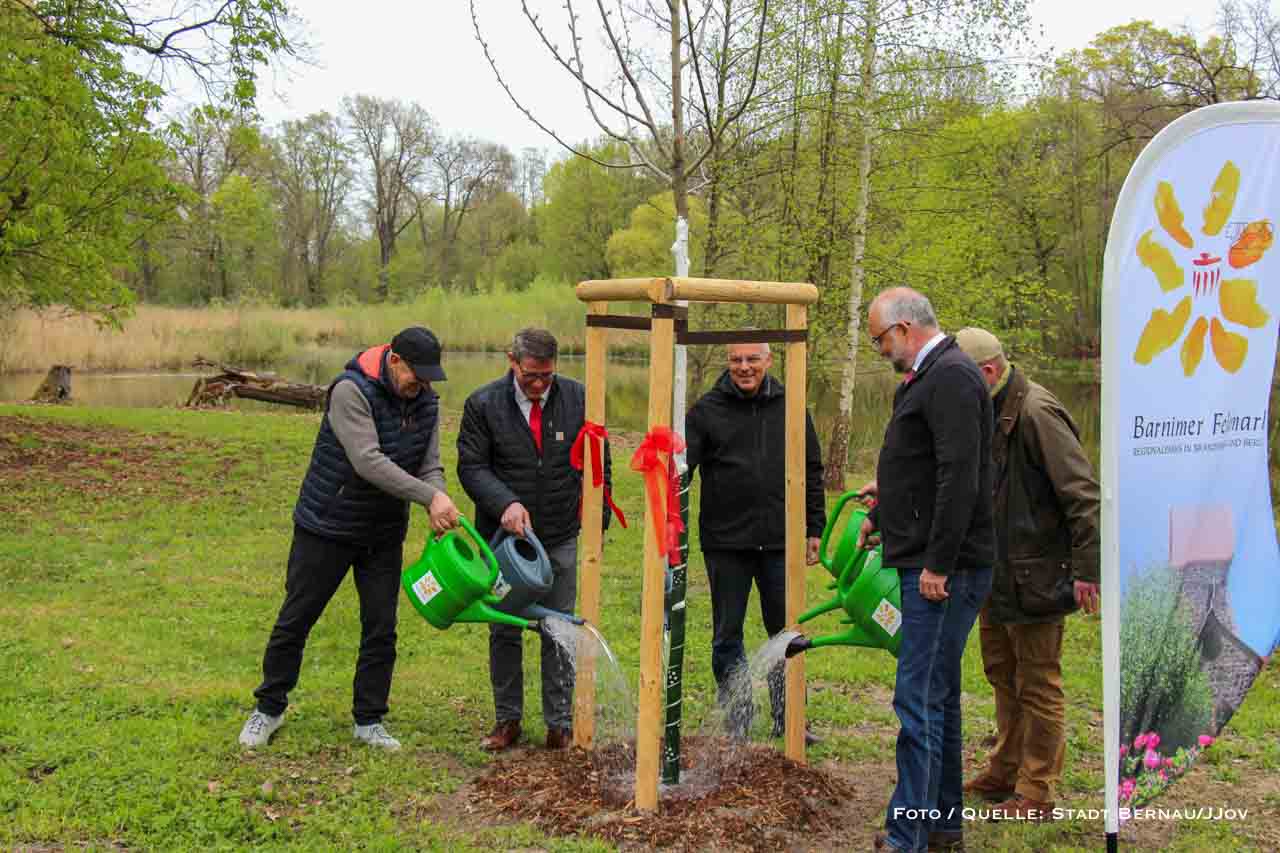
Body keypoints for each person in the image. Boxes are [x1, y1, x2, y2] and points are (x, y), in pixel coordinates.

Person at [239, 327, 461, 751]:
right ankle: (268, 709)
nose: (423, 385)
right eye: (417, 374)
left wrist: (439, 493)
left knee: (381, 627)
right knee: (296, 619)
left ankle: (369, 720)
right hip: (327, 523)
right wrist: (428, 496)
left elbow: (429, 463)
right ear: (394, 360)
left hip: (382, 532)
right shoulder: (350, 391)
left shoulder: (426, 400)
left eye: (430, 377)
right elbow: (367, 461)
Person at [857, 289, 995, 853]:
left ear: (905, 328)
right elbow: (926, 465)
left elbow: (960, 477)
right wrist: (886, 502)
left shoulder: (953, 378)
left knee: (916, 701)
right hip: (932, 560)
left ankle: (906, 837)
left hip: (946, 572)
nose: (879, 349)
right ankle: (941, 828)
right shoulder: (929, 376)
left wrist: (938, 563)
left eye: (879, 339)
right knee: (937, 696)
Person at [953, 327, 1100, 821]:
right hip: (995, 573)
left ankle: (1036, 790)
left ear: (989, 373)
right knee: (1001, 673)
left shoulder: (1037, 412)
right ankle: (1006, 768)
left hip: (1037, 575)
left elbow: (1082, 496)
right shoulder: (988, 409)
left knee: (1038, 682)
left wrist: (1088, 570)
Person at [457, 327, 612, 751]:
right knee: (504, 626)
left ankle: (559, 724)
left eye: (547, 375)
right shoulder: (483, 405)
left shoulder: (579, 398)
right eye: (530, 376)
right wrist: (505, 503)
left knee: (558, 625)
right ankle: (507, 720)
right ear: (512, 362)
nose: (540, 384)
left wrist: (599, 516)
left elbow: (599, 459)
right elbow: (471, 467)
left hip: (559, 532)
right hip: (503, 539)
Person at [685, 341, 825, 741]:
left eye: (752, 359)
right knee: (727, 634)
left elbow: (812, 469)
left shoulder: (792, 405)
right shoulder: (706, 411)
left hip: (780, 542)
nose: (744, 367)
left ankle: (790, 715)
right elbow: (682, 470)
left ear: (768, 360)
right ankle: (738, 717)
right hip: (726, 542)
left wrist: (814, 527)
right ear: (727, 362)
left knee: (785, 632)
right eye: (736, 360)